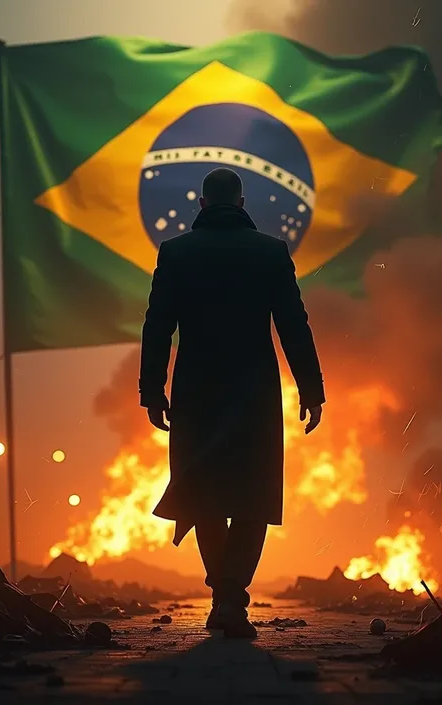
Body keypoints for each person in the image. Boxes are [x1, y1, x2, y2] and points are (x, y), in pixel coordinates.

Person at [139, 167, 325, 638]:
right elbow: (294, 326)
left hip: (196, 391)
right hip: (254, 391)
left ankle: (222, 595)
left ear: (202, 204)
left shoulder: (175, 253)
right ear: (242, 203)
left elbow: (157, 326)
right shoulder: (270, 252)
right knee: (251, 496)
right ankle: (230, 599)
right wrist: (311, 387)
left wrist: (151, 390)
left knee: (203, 493)